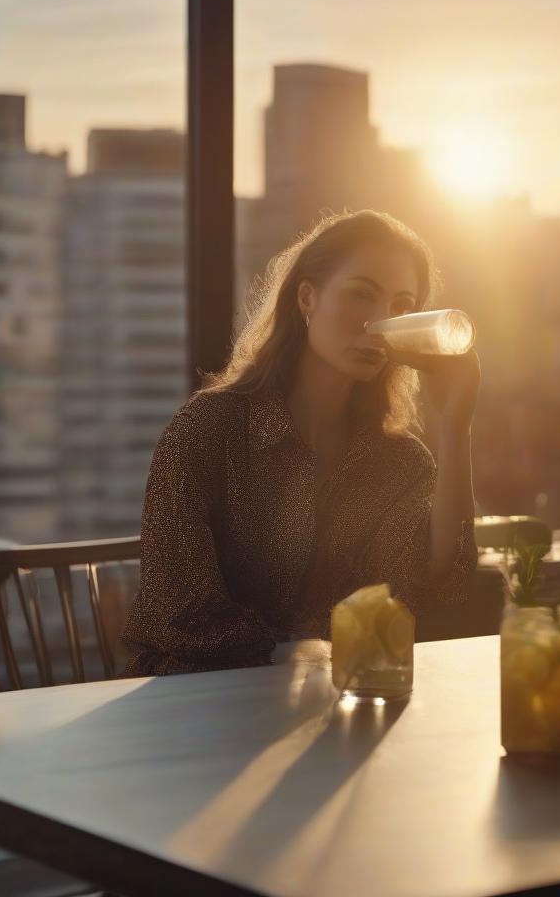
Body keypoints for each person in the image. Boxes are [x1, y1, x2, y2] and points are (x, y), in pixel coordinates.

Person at [121, 209, 480, 675]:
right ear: (307, 298)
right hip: (192, 703)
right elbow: (179, 615)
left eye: (401, 307)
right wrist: (305, 650)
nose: (379, 324)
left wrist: (455, 426)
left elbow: (437, 579)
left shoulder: (398, 461)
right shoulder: (208, 430)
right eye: (361, 295)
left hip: (322, 709)